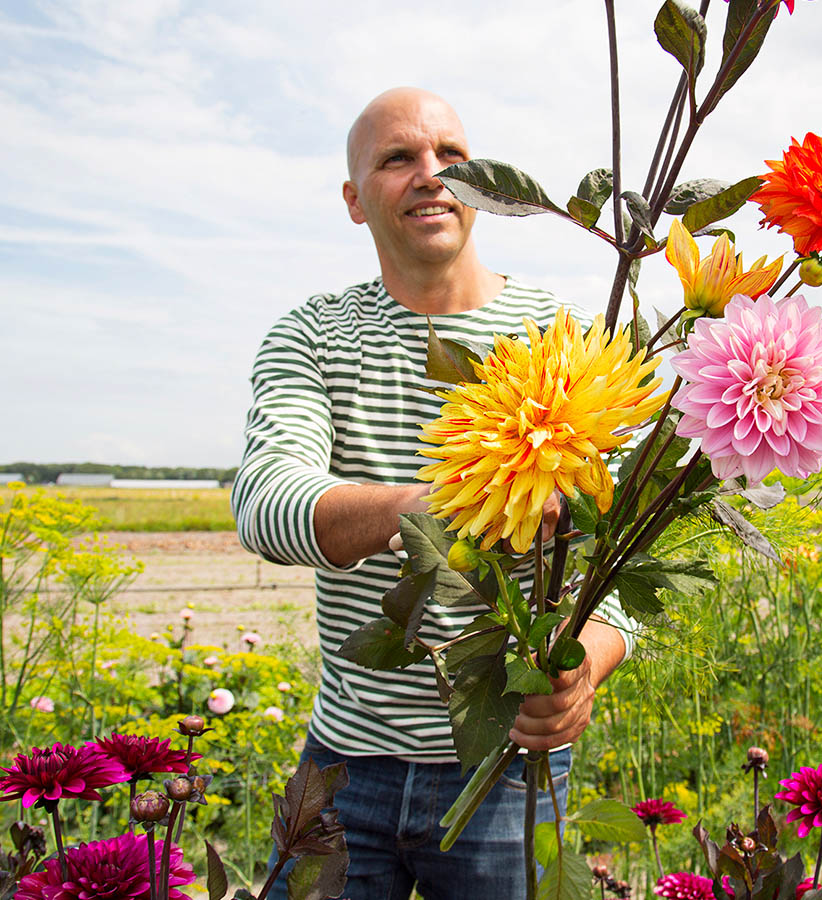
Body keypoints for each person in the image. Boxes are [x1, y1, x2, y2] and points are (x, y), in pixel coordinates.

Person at [231, 87, 634, 900]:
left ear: (482, 180)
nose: (431, 175)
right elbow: (267, 501)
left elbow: (620, 559)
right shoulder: (312, 334)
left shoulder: (565, 335)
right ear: (354, 200)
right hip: (346, 767)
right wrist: (450, 500)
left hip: (506, 771)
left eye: (451, 156)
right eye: (397, 159)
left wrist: (586, 666)